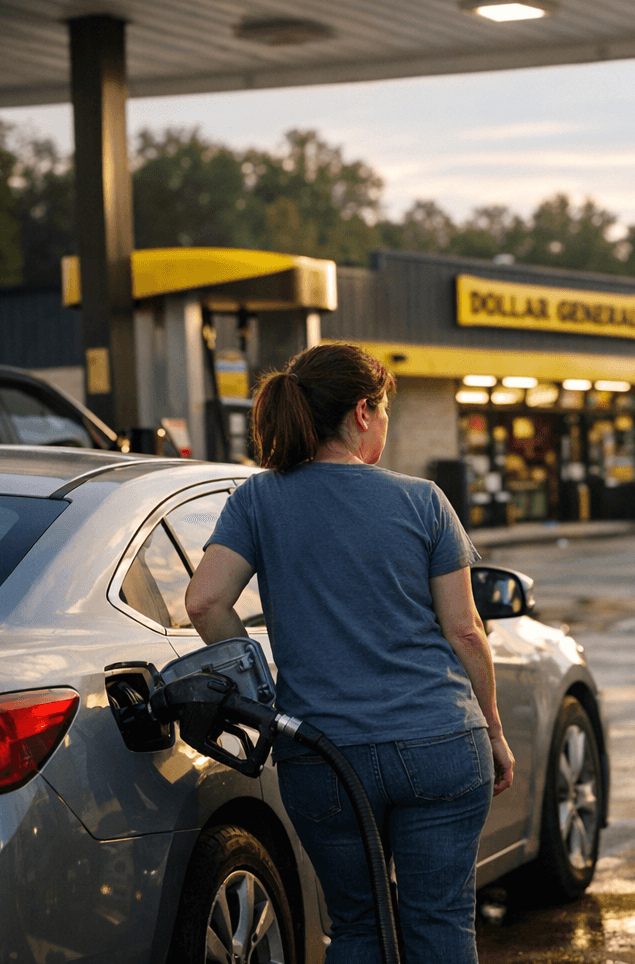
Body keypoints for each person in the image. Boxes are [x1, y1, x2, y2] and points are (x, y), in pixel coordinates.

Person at [184, 342, 513, 964]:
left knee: (359, 926)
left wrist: (263, 691)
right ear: (363, 412)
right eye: (385, 411)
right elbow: (466, 631)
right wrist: (492, 730)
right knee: (440, 923)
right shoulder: (423, 501)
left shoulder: (258, 500)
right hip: (439, 741)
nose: (385, 424)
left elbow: (203, 602)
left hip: (325, 754)